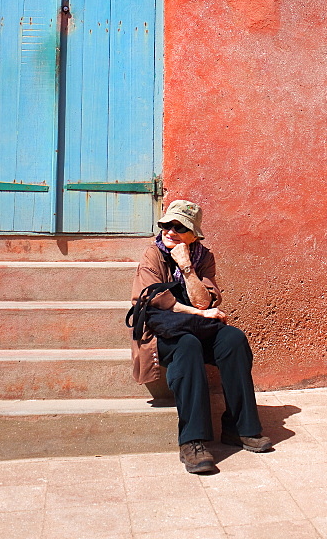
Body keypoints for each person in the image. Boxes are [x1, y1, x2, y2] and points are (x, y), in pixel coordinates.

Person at [130, 199, 271, 473]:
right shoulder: (153, 255)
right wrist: (198, 314)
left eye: (179, 227)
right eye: (166, 225)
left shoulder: (202, 256)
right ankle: (192, 441)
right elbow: (155, 300)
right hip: (164, 332)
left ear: (193, 235)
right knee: (188, 347)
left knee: (233, 340)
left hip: (196, 325)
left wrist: (186, 267)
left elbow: (205, 301)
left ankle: (239, 427)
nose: (170, 231)